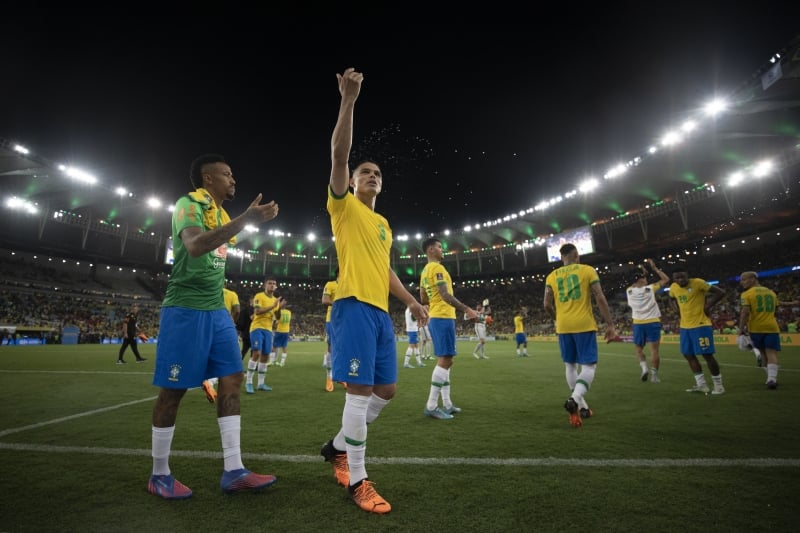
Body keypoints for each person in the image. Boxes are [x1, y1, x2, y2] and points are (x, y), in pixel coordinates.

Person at [320, 67, 428, 515]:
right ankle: (358, 480)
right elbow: (339, 154)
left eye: (377, 173)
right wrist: (349, 101)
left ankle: (337, 446)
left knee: (386, 391)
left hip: (380, 313)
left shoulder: (384, 225)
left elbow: (386, 272)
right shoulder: (343, 206)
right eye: (365, 171)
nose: (372, 175)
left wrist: (411, 301)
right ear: (353, 179)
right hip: (351, 307)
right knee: (359, 392)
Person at [148, 153, 279, 499]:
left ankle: (234, 469)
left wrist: (243, 220)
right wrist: (246, 219)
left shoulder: (221, 214)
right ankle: (159, 473)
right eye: (227, 174)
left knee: (233, 378)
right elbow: (194, 246)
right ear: (208, 179)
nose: (233, 180)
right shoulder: (187, 204)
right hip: (185, 309)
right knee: (173, 391)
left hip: (216, 310)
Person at [543, 243, 618, 428]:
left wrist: (557, 319)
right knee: (589, 366)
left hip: (563, 325)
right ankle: (575, 399)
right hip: (583, 324)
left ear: (562, 257)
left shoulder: (551, 276)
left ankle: (582, 406)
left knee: (570, 365)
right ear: (576, 255)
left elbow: (546, 305)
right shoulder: (587, 270)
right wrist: (610, 324)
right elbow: (599, 297)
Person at [420, 237, 478, 420]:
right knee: (445, 359)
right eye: (439, 247)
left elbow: (423, 297)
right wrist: (466, 309)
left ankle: (447, 403)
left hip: (438, 316)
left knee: (447, 360)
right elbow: (445, 294)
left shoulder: (424, 271)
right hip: (443, 316)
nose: (442, 249)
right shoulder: (437, 268)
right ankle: (431, 405)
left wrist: (433, 305)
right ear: (430, 250)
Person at [668, 266, 727, 395]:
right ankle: (702, 385)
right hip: (685, 326)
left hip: (701, 325)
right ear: (673, 279)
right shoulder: (673, 287)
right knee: (688, 355)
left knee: (707, 355)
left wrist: (707, 306)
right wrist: (675, 310)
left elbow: (720, 292)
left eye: (682, 276)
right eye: (677, 277)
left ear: (687, 275)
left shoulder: (698, 283)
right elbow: (671, 298)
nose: (680, 279)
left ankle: (719, 386)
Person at [624, 258, 670, 383]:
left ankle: (644, 368)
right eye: (645, 278)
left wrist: (642, 273)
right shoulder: (650, 289)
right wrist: (654, 269)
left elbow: (635, 283)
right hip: (653, 321)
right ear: (641, 280)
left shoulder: (629, 291)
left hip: (638, 323)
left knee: (638, 349)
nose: (647, 279)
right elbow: (666, 279)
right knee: (654, 350)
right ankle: (654, 376)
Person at [738, 271, 781, 389]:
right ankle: (772, 378)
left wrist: (741, 328)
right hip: (772, 326)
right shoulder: (771, 293)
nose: (742, 282)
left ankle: (770, 378)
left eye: (744, 279)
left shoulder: (747, 294)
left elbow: (745, 312)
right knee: (771, 353)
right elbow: (775, 309)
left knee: (763, 354)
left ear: (753, 279)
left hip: (756, 328)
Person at [201, 284, 240, 403]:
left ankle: (207, 380)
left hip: (206, 326)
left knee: (207, 357)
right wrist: (232, 322)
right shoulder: (231, 294)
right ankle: (212, 382)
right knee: (228, 362)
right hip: (224, 328)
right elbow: (237, 310)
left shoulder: (206, 290)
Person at [245, 277, 283, 393]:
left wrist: (279, 308)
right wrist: (273, 306)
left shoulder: (276, 300)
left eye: (274, 284)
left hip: (268, 330)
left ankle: (261, 383)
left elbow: (277, 316)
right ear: (265, 286)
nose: (272, 285)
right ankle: (249, 382)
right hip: (257, 328)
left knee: (265, 356)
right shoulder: (259, 296)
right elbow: (257, 311)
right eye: (269, 283)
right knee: (256, 353)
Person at [321, 268, 340, 392]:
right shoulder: (331, 284)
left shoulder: (350, 286)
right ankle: (329, 378)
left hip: (346, 321)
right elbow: (325, 300)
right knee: (331, 348)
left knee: (344, 349)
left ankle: (341, 377)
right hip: (332, 320)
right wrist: (339, 304)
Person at [273, 302, 292, 367]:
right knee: (284, 347)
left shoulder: (278, 312)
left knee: (274, 346)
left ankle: (272, 361)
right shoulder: (289, 312)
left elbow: (276, 322)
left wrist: (275, 324)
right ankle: (282, 362)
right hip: (286, 331)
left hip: (279, 330)